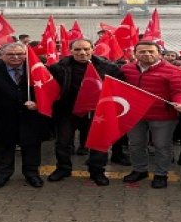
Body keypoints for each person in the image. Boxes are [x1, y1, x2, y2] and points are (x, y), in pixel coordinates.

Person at [47, 38, 124, 186]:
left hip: (97, 112)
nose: (82, 53)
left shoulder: (109, 67)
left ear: (93, 49)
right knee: (63, 142)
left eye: (86, 49)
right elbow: (49, 88)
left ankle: (97, 171)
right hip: (67, 111)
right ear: (70, 51)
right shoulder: (58, 67)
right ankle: (63, 168)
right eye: (77, 50)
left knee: (98, 143)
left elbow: (119, 88)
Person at [0, 43, 51, 189]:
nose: (16, 57)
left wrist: (38, 104)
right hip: (1, 117)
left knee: (31, 147)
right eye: (10, 54)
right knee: (3, 147)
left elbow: (49, 92)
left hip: (31, 117)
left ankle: (32, 174)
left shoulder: (37, 69)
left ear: (25, 54)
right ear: (2, 55)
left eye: (20, 54)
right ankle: (2, 175)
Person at [120, 41, 181, 189]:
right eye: (142, 52)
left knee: (162, 146)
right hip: (135, 114)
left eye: (151, 51)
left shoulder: (174, 71)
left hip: (162, 115)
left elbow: (180, 91)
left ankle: (161, 174)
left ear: (159, 53)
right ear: (135, 54)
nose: (147, 54)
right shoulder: (126, 69)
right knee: (136, 144)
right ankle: (139, 170)